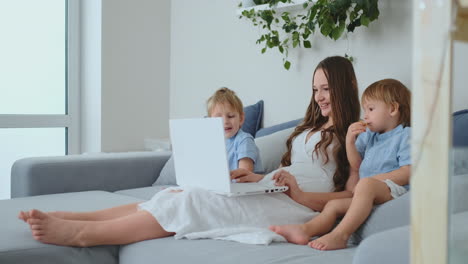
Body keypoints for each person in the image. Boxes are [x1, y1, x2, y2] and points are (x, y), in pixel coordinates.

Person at [18, 56, 361, 247]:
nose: (319, 96)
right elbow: (287, 171)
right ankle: (76, 217)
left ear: (345, 86)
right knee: (177, 192)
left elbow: (347, 196)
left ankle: (83, 235)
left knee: (193, 201)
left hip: (296, 205)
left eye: (326, 88)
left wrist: (298, 194)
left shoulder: (354, 133)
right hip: (273, 188)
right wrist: (258, 177)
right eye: (315, 88)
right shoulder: (310, 128)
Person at [270, 78, 411, 251]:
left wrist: (373, 182)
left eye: (371, 109)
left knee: (365, 184)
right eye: (365, 109)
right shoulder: (370, 136)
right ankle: (304, 230)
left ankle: (340, 235)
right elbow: (356, 165)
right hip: (367, 191)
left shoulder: (405, 135)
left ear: (392, 109)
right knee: (333, 205)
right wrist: (350, 142)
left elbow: (408, 171)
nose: (365, 115)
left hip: (393, 190)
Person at [206, 87, 262, 173]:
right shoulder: (213, 143)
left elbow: (244, 174)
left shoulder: (244, 140)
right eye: (218, 118)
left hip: (246, 184)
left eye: (231, 116)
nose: (225, 122)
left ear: (241, 119)